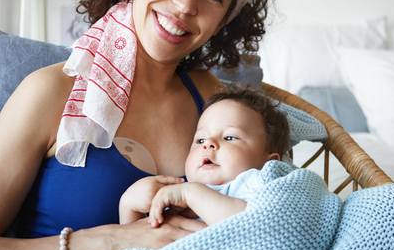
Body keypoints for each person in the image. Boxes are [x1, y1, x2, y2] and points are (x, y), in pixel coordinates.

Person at [0, 0, 273, 250]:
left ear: (223, 20)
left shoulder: (216, 102)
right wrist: (108, 240)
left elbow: (276, 204)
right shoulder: (51, 92)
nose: (186, 4)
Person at [119, 84, 290, 227]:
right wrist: (129, 208)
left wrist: (190, 194)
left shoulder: (255, 184)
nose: (208, 144)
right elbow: (137, 244)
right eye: (200, 140)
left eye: (229, 137)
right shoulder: (173, 199)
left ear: (270, 163)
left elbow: (258, 225)